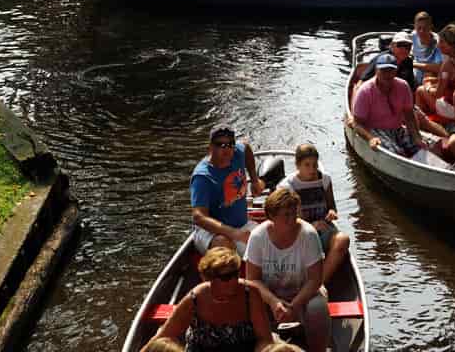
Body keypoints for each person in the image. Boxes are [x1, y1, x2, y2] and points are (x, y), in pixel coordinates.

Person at [245, 189, 329, 352]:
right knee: (247, 305)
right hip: (269, 295)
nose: (292, 219)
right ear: (272, 217)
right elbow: (252, 279)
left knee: (317, 307)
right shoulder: (258, 237)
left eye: (294, 213)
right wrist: (273, 301)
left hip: (303, 293)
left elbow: (315, 280)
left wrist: (294, 306)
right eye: (286, 215)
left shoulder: (308, 235)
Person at [141, 247, 273, 352]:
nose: (233, 281)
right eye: (226, 277)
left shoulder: (250, 294)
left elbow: (265, 340)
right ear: (208, 279)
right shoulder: (195, 298)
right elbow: (164, 336)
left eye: (236, 274)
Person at [277, 144, 350, 285]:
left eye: (315, 165)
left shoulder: (325, 180)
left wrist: (331, 213)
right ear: (297, 165)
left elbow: (332, 206)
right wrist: (312, 226)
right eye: (307, 165)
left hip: (324, 229)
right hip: (298, 231)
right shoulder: (287, 186)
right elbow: (289, 220)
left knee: (343, 240)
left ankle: (319, 284)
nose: (312, 169)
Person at [191, 125, 266, 255]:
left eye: (230, 144)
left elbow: (246, 147)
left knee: (271, 246)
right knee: (224, 244)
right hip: (212, 232)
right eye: (220, 145)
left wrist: (254, 180)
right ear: (210, 147)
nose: (226, 149)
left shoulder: (237, 153)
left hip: (242, 224)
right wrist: (234, 233)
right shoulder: (202, 177)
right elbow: (199, 217)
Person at [349, 52, 427, 157]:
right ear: (376, 71)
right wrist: (370, 138)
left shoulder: (403, 86)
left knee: (420, 149)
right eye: (383, 71)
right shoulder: (365, 91)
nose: (387, 74)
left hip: (396, 128)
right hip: (374, 129)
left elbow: (409, 116)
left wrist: (417, 137)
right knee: (397, 153)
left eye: (391, 71)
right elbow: (356, 123)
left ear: (396, 71)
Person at [416, 23, 455, 119]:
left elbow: (438, 94)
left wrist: (428, 87)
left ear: (451, 45)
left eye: (442, 42)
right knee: (429, 78)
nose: (438, 45)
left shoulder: (447, 65)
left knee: (420, 90)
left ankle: (423, 122)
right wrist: (435, 80)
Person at [411, 11, 443, 85]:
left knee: (429, 73)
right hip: (416, 72)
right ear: (414, 27)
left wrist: (413, 64)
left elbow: (439, 67)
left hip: (431, 75)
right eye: (419, 28)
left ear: (431, 27)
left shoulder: (438, 43)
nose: (421, 31)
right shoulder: (412, 36)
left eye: (425, 28)